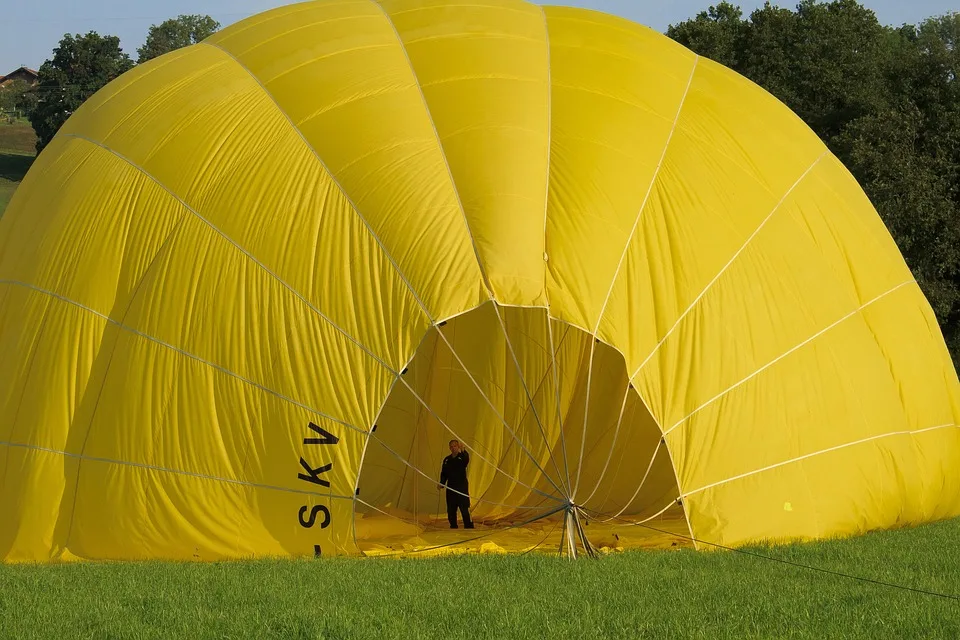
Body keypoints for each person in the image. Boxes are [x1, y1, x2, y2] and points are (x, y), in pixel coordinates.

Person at [437, 439, 474, 529]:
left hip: (461, 488)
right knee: (451, 510)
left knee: (465, 509)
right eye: (452, 446)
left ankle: (469, 527)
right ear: (449, 448)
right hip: (451, 488)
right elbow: (444, 474)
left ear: (458, 447)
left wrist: (463, 450)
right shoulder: (447, 460)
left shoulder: (462, 457)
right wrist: (441, 483)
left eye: (455, 446)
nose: (453, 448)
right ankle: (453, 526)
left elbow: (466, 460)